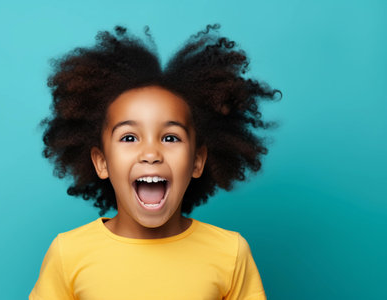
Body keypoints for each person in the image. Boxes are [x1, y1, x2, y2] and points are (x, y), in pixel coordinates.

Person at [30, 24, 280, 299]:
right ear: (101, 162)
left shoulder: (230, 252)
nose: (151, 153)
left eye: (171, 138)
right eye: (129, 138)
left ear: (197, 161)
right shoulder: (69, 253)